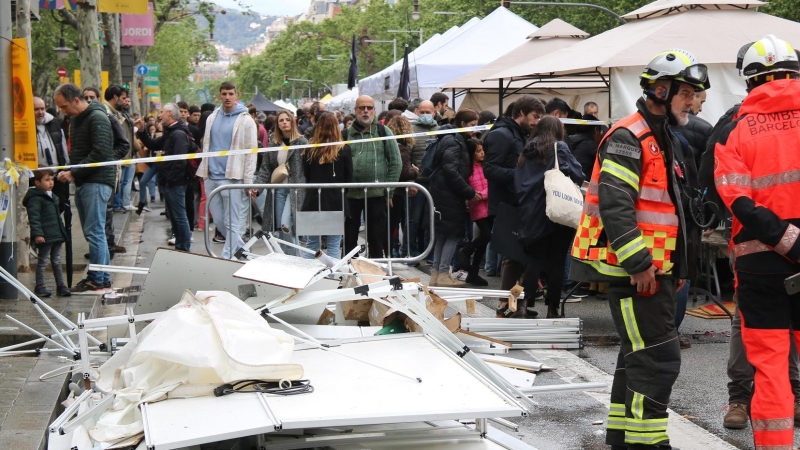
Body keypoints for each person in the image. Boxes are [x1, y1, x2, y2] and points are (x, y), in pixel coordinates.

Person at [570, 49, 708, 449]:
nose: (694, 102)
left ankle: (622, 437)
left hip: (655, 270)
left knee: (639, 357)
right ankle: (646, 443)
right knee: (657, 359)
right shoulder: (630, 137)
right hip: (636, 273)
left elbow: (669, 209)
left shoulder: (660, 136)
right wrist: (639, 263)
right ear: (661, 91)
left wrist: (679, 265)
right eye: (687, 93)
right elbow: (616, 204)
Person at [714, 35, 800, 449]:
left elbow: (739, 201)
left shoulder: (733, 131)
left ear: (749, 81)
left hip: (760, 267)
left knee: (768, 369)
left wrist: (789, 240)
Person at [483, 95, 544, 316]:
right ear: (521, 113)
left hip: (519, 200)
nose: (537, 122)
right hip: (507, 203)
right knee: (513, 255)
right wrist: (522, 175)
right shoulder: (501, 135)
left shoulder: (518, 134)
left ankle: (514, 303)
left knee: (519, 255)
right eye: (535, 117)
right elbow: (490, 169)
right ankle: (504, 304)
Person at [517, 116, 583, 318]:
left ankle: (524, 304)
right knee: (556, 261)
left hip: (531, 211)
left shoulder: (527, 150)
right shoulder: (559, 147)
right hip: (556, 210)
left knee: (533, 260)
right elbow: (577, 173)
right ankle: (552, 308)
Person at [54, 83, 117, 293]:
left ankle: (98, 278)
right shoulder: (80, 119)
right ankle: (100, 277)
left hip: (96, 181)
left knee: (95, 232)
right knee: (94, 232)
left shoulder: (96, 118)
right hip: (87, 181)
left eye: (64, 107)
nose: (63, 111)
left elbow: (101, 152)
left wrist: (74, 172)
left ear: (76, 100)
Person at [198, 82, 258, 259]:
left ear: (236, 95)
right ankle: (244, 254)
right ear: (219, 95)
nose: (227, 97)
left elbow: (251, 152)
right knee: (218, 221)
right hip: (211, 176)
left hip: (233, 177)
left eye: (231, 93)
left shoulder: (246, 120)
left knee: (232, 223)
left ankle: (226, 258)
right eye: (224, 93)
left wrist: (248, 182)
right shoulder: (212, 117)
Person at [343, 95, 401, 258]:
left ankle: (376, 274)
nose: (366, 111)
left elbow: (396, 162)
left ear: (374, 110)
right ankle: (349, 274)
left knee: (376, 239)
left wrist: (389, 190)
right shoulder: (345, 134)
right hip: (350, 196)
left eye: (369, 108)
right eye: (362, 108)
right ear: (355, 110)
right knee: (349, 239)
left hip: (376, 195)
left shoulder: (384, 131)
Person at [429, 109, 480, 287]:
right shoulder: (454, 141)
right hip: (449, 195)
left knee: (443, 234)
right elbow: (451, 170)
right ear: (463, 124)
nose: (476, 128)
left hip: (445, 193)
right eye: (474, 125)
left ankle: (437, 272)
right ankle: (442, 273)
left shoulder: (453, 138)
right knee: (452, 234)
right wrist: (469, 192)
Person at [135, 104, 192, 251]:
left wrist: (170, 179)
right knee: (174, 216)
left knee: (179, 216)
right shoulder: (170, 132)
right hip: (169, 181)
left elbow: (180, 161)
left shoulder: (178, 134)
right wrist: (142, 131)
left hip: (176, 182)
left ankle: (184, 247)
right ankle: (180, 245)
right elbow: (153, 144)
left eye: (162, 112)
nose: (160, 115)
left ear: (169, 113)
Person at [253, 110, 307, 253]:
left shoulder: (302, 142)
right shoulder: (273, 144)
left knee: (286, 224)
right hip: (277, 190)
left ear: (292, 122)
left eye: (287, 120)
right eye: (281, 120)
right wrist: (257, 188)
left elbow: (308, 167)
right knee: (280, 229)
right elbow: (265, 169)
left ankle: (295, 259)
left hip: (295, 190)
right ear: (277, 124)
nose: (284, 122)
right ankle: (286, 259)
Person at [302, 112, 353, 259]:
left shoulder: (310, 149)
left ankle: (308, 279)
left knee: (311, 245)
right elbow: (349, 178)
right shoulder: (344, 149)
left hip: (313, 199)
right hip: (336, 200)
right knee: (333, 245)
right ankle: (333, 279)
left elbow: (307, 174)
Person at [24, 170, 70, 298]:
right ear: (37, 183)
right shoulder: (35, 199)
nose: (51, 183)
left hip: (56, 234)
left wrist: (62, 232)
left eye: (52, 179)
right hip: (45, 235)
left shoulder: (51, 195)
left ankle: (61, 285)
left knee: (57, 260)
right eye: (47, 180)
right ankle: (40, 286)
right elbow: (34, 218)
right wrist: (38, 234)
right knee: (43, 260)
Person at [385, 115, 419, 258]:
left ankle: (388, 251)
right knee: (393, 224)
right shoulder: (402, 149)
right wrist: (414, 171)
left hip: (391, 191)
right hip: (396, 193)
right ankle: (389, 254)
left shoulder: (388, 145)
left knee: (389, 225)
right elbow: (403, 172)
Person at [457, 138, 490, 286]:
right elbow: (472, 190)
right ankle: (466, 250)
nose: (482, 153)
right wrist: (480, 195)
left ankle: (473, 272)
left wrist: (483, 195)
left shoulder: (484, 166)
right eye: (478, 151)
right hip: (477, 206)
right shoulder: (468, 169)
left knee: (484, 240)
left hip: (487, 205)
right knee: (487, 234)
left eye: (482, 150)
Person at [33, 97, 70, 212]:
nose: (40, 112)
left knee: (59, 206)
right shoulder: (25, 125)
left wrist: (66, 167)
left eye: (42, 109)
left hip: (56, 176)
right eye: (36, 109)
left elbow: (62, 146)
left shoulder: (54, 123)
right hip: (36, 177)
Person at [105, 85, 138, 213]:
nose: (125, 101)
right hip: (115, 157)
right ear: (115, 97)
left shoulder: (117, 114)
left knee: (122, 181)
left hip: (120, 156)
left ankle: (118, 204)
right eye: (123, 98)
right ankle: (117, 205)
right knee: (119, 182)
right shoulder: (106, 113)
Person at [567, 113, 603, 182]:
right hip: (583, 185)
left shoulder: (569, 140)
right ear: (596, 130)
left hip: (569, 183)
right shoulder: (591, 146)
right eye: (600, 132)